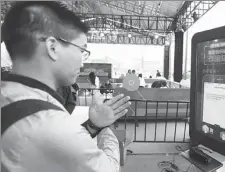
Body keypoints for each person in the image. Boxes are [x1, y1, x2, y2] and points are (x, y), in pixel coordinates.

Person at [1, 2, 131, 172]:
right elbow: (109, 168)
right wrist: (107, 129)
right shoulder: (49, 123)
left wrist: (93, 125)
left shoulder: (11, 96)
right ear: (52, 47)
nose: (82, 62)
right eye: (81, 50)